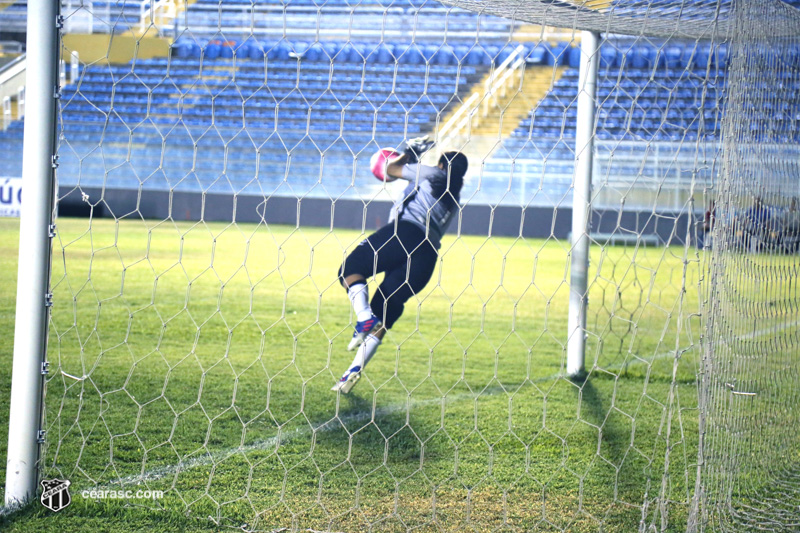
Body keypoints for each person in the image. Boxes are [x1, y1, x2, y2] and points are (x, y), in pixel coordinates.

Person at [332, 139, 468, 393]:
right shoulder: (454, 195)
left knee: (349, 269)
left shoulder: (433, 173)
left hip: (405, 233)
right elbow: (416, 185)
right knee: (385, 309)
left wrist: (408, 151)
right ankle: (351, 374)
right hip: (426, 256)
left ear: (441, 164)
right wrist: (414, 160)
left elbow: (391, 170)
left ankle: (363, 319)